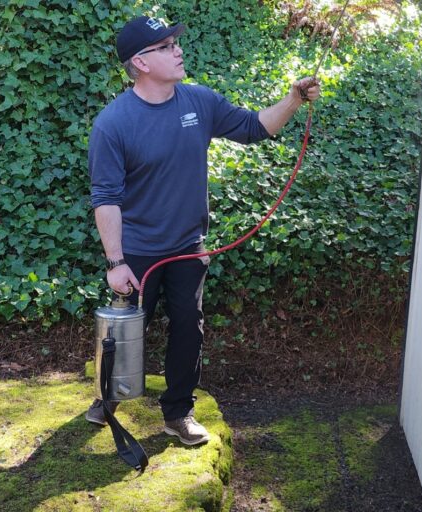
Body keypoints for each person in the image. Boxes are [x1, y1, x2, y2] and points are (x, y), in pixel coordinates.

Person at [85, 15, 320, 445]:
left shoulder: (199, 102)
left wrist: (293, 101)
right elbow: (106, 198)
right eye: (166, 46)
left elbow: (254, 128)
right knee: (125, 330)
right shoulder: (113, 124)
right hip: (137, 252)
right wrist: (115, 262)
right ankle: (108, 397)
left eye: (176, 42)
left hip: (188, 248)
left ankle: (177, 413)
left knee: (189, 329)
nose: (177, 50)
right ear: (140, 61)